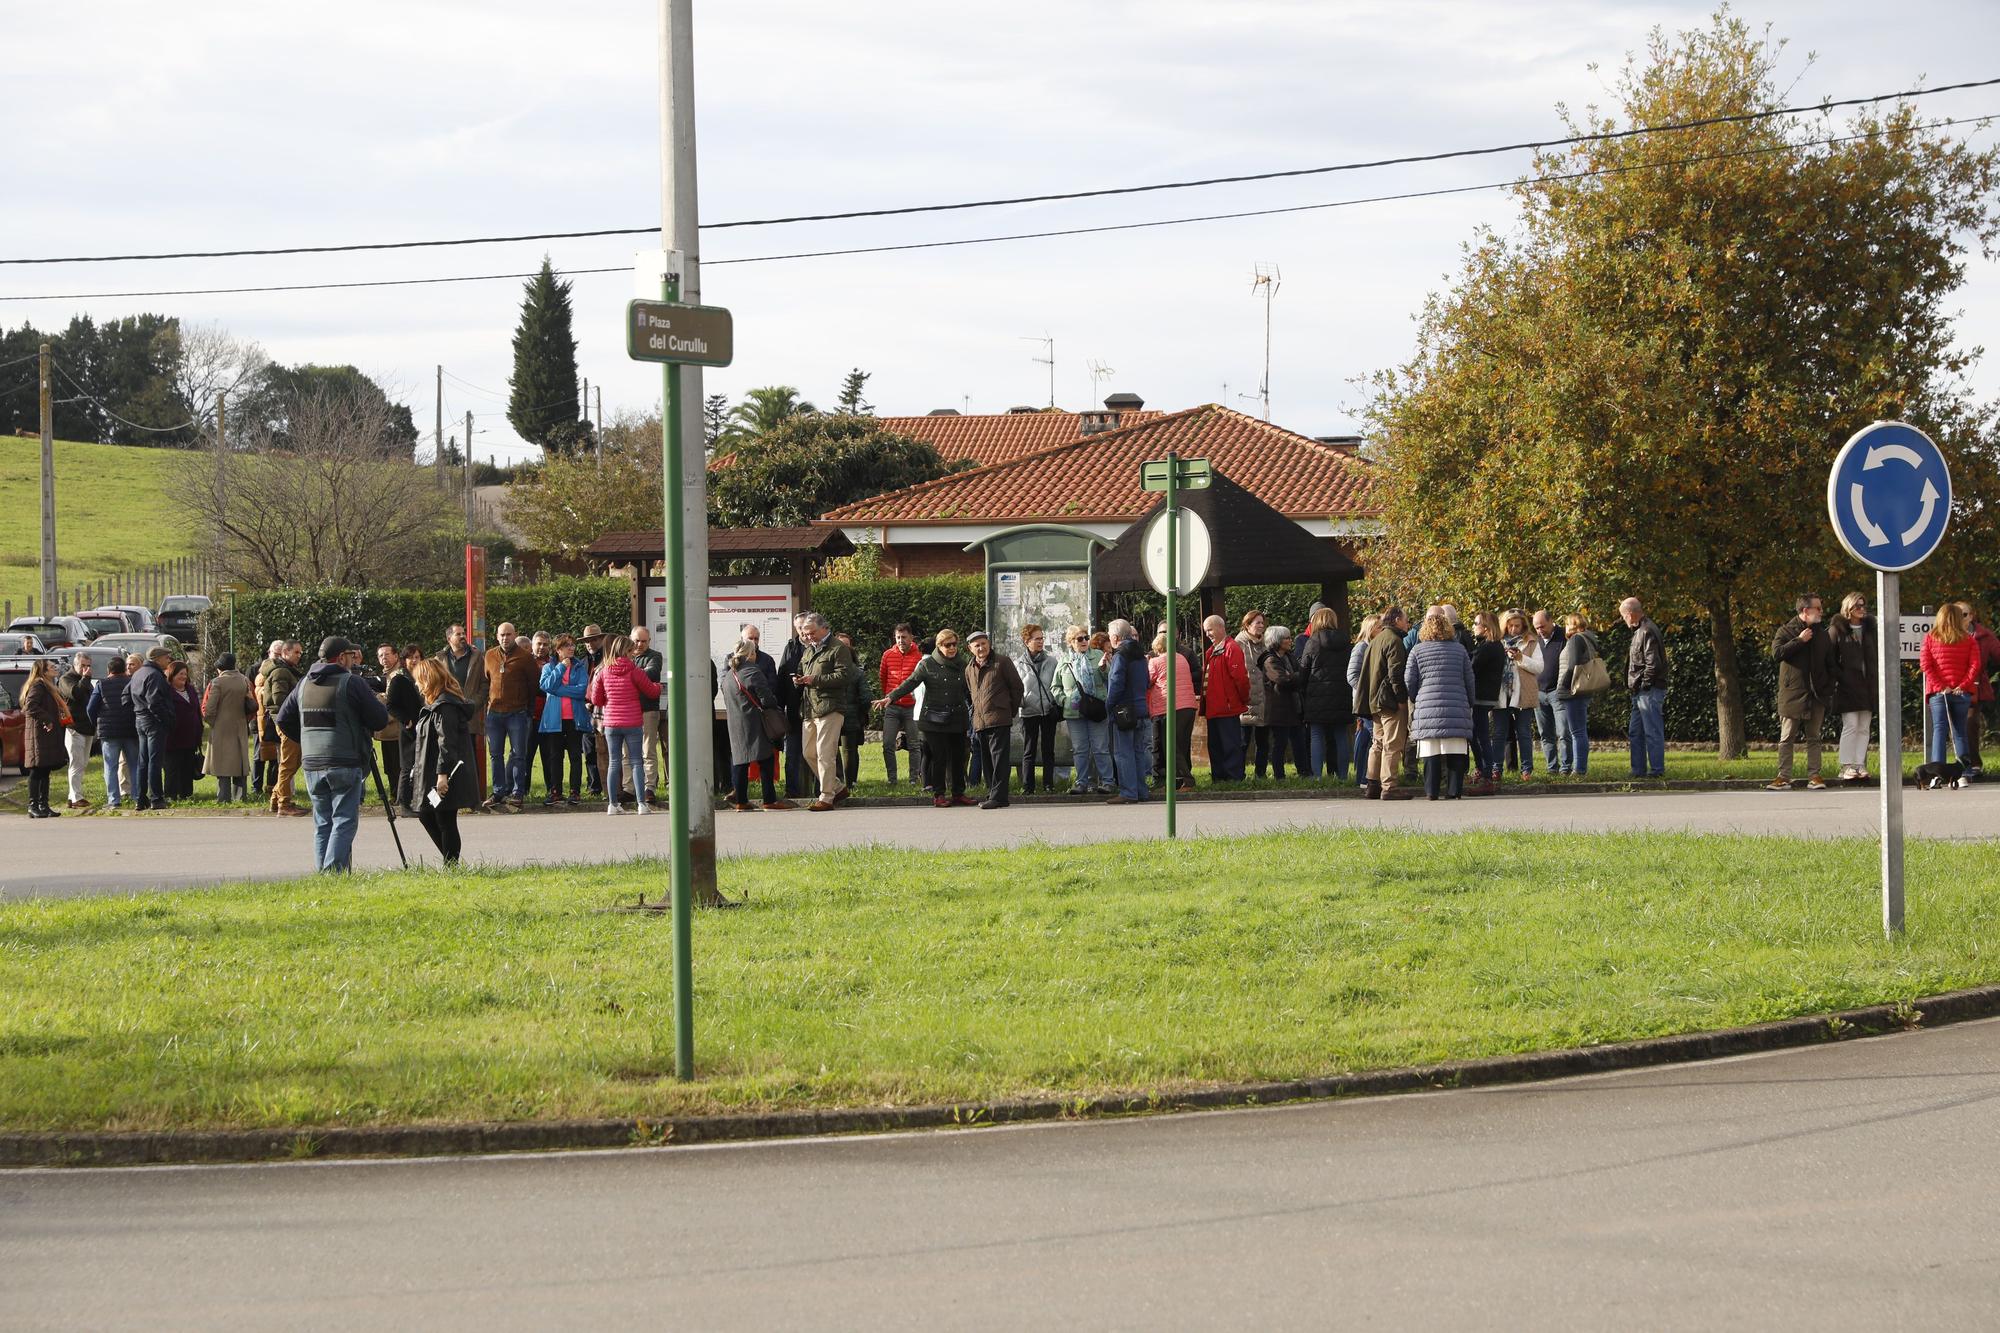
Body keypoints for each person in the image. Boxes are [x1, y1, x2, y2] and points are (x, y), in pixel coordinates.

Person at [276, 636, 391, 873]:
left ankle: (325, 874)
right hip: (344, 761)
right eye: (351, 656)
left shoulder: (305, 683)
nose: (353, 661)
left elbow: (283, 719)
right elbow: (379, 719)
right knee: (344, 820)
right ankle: (332, 875)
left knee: (322, 822)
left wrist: (307, 740)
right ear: (341, 658)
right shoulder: (352, 683)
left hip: (312, 763)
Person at [886, 629, 974, 808]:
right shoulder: (928, 664)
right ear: (939, 646)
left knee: (958, 757)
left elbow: (971, 688)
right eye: (947, 645)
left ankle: (958, 793)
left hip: (957, 717)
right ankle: (939, 794)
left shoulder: (963, 664)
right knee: (939, 757)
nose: (952, 648)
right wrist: (891, 697)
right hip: (934, 718)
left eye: (954, 644)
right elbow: (911, 682)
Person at [407, 659, 477, 865]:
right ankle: (451, 861)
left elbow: (447, 743)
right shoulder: (437, 705)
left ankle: (451, 864)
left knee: (444, 819)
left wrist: (442, 775)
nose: (417, 686)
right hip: (434, 772)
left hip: (444, 774)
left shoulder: (445, 707)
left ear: (428, 680)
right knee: (428, 815)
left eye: (419, 681)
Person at [1768, 593, 1837, 791]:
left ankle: (1814, 775)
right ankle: (1783, 777)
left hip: (1817, 695)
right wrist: (1799, 641)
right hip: (1792, 694)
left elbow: (1831, 663)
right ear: (1805, 611)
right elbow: (1777, 654)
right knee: (1786, 738)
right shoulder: (1786, 631)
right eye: (1818, 608)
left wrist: (1828, 686)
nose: (1822, 612)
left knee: (1814, 737)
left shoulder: (1822, 634)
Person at [587, 633, 661, 815]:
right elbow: (651, 692)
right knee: (637, 761)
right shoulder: (635, 671)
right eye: (632, 649)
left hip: (611, 722)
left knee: (614, 762)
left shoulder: (603, 671)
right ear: (627, 651)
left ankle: (613, 805)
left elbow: (596, 698)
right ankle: (641, 804)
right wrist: (659, 686)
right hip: (633, 721)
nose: (635, 652)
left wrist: (610, 701)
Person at [1406, 610, 1476, 800]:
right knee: (1456, 750)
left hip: (1427, 706)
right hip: (1456, 704)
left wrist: (1416, 698)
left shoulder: (1417, 651)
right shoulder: (1459, 650)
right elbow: (1470, 680)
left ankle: (1431, 791)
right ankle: (1454, 790)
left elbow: (1409, 681)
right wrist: (1470, 701)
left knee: (1431, 751)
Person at [720, 635, 794, 811]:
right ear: (750, 654)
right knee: (766, 759)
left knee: (740, 761)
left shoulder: (730, 674)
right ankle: (769, 800)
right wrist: (773, 705)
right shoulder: (752, 671)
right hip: (754, 721)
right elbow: (766, 698)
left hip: (735, 722)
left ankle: (741, 801)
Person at [793, 612, 857, 812]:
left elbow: (846, 676)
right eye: (805, 633)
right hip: (810, 707)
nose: (809, 637)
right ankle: (837, 787)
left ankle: (827, 797)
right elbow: (803, 670)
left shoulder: (838, 648)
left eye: (812, 633)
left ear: (824, 628)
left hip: (831, 707)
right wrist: (799, 679)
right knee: (808, 753)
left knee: (824, 753)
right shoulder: (809, 650)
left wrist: (816, 680)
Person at [956, 628, 1021, 808]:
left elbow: (1017, 688)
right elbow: (970, 693)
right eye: (976, 645)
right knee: (986, 760)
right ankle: (994, 793)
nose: (981, 648)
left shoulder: (1002, 662)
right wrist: (974, 713)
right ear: (970, 648)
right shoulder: (969, 668)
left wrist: (1009, 710)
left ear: (989, 644)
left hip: (999, 717)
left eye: (984, 644)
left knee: (999, 759)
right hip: (980, 721)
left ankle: (999, 796)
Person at [1354, 607, 1412, 800]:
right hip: (1389, 701)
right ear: (1396, 620)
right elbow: (1396, 675)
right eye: (1405, 619)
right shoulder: (1394, 641)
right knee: (1393, 744)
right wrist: (1402, 701)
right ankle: (1390, 787)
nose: (1407, 623)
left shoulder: (1376, 639)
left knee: (1377, 743)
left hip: (1374, 701)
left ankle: (1372, 784)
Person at [1920, 600, 1981, 773]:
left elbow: (1926, 665)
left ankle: (1936, 772)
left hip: (1938, 693)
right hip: (1961, 692)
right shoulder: (1969, 640)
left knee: (1939, 730)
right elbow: (1974, 666)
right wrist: (1962, 685)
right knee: (1959, 731)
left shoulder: (1930, 638)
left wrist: (1940, 686)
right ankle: (1965, 771)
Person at [482, 622, 536, 812]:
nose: (505, 638)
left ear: (515, 635)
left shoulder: (526, 657)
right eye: (502, 635)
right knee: (495, 755)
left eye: (509, 634)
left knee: (518, 755)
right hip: (494, 713)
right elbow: (485, 683)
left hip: (517, 713)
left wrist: (528, 710)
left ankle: (517, 792)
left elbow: (532, 686)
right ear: (497, 636)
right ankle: (498, 791)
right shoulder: (489, 656)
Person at [1297, 607, 1353, 783]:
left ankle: (1317, 777)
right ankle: (1343, 776)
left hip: (1317, 695)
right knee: (1341, 735)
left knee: (1316, 735)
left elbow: (1303, 669)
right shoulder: (1345, 641)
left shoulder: (1312, 641)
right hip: (1341, 694)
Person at [1056, 626, 1114, 794]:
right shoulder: (1064, 660)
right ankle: (1081, 782)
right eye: (1079, 639)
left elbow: (1109, 678)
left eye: (1086, 638)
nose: (1084, 641)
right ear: (1071, 642)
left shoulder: (1097, 655)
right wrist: (1065, 700)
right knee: (1080, 748)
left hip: (1096, 708)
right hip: (1074, 711)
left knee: (1100, 748)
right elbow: (1055, 686)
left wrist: (1103, 668)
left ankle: (1107, 782)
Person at [536, 634, 592, 807]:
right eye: (567, 646)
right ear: (558, 649)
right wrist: (560, 668)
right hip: (554, 720)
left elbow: (582, 690)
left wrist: (559, 690)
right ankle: (555, 792)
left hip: (575, 719)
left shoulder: (579, 666)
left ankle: (575, 792)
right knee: (555, 756)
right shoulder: (549, 667)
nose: (572, 648)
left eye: (573, 645)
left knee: (575, 756)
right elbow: (545, 686)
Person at [1829, 591, 1878, 783]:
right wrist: (1841, 676)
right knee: (1851, 725)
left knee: (1864, 726)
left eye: (1864, 605)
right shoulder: (1837, 630)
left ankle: (1859, 764)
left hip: (1869, 684)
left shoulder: (1870, 629)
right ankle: (1846, 765)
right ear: (1848, 608)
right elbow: (1830, 659)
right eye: (1858, 606)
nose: (1862, 609)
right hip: (1847, 685)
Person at [1621, 597, 1669, 780]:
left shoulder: (1646, 631)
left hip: (1648, 690)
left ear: (1631, 614)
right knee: (1636, 731)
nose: (1624, 620)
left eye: (1624, 616)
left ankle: (1656, 771)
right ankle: (1638, 770)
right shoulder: (1641, 630)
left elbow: (1652, 664)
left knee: (1652, 731)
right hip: (1640, 690)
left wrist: (1644, 685)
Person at [441, 623, 489, 807]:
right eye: (458, 634)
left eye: (464, 633)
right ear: (449, 638)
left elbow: (484, 685)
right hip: (447, 715)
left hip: (468, 714)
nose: (462, 637)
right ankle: (451, 796)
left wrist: (473, 704)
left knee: (469, 759)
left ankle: (472, 798)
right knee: (448, 754)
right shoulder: (440, 658)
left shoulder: (477, 656)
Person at [1104, 619, 1150, 804]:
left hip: (1124, 711)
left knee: (1123, 753)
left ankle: (1128, 792)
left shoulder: (1120, 655)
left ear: (1115, 637)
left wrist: (1109, 705)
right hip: (1141, 709)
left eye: (1109, 635)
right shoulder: (1140, 655)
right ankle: (1141, 790)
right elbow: (1147, 681)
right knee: (1138, 752)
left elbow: (1116, 683)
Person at [1199, 614, 1250, 782]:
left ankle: (1234, 777)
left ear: (1221, 627)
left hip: (1227, 707)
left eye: (1210, 630)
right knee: (1215, 746)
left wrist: (1242, 699)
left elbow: (1240, 678)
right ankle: (1219, 777)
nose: (1208, 634)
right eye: (1206, 631)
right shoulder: (1211, 651)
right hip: (1214, 708)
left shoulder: (1231, 648)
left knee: (1230, 744)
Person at [1145, 630, 1198, 790]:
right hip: (1188, 706)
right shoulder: (1182, 658)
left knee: (1171, 746)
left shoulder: (1156, 662)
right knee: (1181, 744)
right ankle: (1176, 782)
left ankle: (1187, 780)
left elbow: (1147, 681)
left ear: (1157, 648)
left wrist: (1147, 663)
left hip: (1171, 707)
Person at [1494, 610, 1543, 780]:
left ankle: (1527, 770)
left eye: (1517, 626)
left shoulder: (1531, 641)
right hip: (1502, 693)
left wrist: (1521, 658)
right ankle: (1496, 769)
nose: (1514, 629)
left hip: (1523, 693)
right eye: (1510, 625)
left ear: (1523, 626)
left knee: (1523, 732)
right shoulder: (1497, 641)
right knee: (1499, 733)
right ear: (1505, 625)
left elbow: (1539, 667)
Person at [201, 652, 256, 802]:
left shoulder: (217, 682)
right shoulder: (244, 680)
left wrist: (212, 722)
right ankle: (240, 796)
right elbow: (251, 705)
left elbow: (210, 708)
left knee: (222, 763)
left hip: (221, 726)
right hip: (240, 725)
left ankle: (223, 797)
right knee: (240, 763)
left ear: (220, 667)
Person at [86, 653, 137, 810]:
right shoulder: (133, 682)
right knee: (135, 765)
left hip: (108, 732)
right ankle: (137, 796)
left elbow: (90, 708)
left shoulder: (102, 685)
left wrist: (97, 724)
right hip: (131, 730)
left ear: (109, 670)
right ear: (124, 669)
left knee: (111, 766)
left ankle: (114, 800)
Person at [375, 644, 422, 815]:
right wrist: (407, 720)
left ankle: (418, 800)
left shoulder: (423, 676)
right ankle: (404, 804)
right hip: (408, 728)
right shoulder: (399, 678)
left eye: (417, 657)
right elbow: (391, 705)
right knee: (407, 766)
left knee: (420, 765)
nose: (414, 661)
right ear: (404, 660)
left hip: (422, 726)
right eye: (410, 658)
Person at [1016, 624, 1062, 795]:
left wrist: (1054, 702)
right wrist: (1021, 702)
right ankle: (1028, 787)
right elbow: (1016, 688)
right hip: (1028, 711)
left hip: (1048, 711)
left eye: (1042, 638)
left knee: (1048, 750)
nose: (1041, 641)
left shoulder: (1052, 661)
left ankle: (1048, 785)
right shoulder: (1018, 664)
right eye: (1037, 639)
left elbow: (1057, 684)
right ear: (1026, 641)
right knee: (1029, 751)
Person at [878, 622, 924, 787]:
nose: (900, 640)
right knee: (888, 744)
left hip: (912, 706)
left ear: (911, 638)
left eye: (904, 637)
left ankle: (913, 778)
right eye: (897, 637)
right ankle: (892, 779)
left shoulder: (919, 656)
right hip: (893, 706)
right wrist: (888, 696)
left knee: (914, 744)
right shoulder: (888, 655)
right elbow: (883, 678)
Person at [1253, 626, 1302, 783]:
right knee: (1279, 743)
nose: (1289, 640)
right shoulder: (1270, 659)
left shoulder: (1289, 657)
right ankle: (1279, 776)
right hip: (1278, 708)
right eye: (1286, 638)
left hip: (1292, 706)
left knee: (1298, 740)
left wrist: (1293, 676)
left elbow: (1297, 676)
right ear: (1277, 641)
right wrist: (1294, 677)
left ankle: (1304, 772)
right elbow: (1281, 679)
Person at [20, 658, 67, 819]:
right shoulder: (38, 685)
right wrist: (46, 719)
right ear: (43, 671)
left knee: (45, 770)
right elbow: (30, 706)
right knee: (37, 770)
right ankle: (33, 806)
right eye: (52, 667)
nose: (55, 668)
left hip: (46, 735)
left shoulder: (47, 686)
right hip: (38, 735)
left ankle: (44, 805)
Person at [1553, 613, 1598, 777]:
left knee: (1577, 732)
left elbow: (1572, 666)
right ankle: (1579, 768)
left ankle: (1579, 770)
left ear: (1572, 624)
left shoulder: (1576, 640)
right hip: (1582, 690)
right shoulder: (1589, 638)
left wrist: (1563, 687)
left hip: (1573, 691)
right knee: (1579, 731)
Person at [1467, 611, 1507, 793]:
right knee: (1477, 734)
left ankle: (1486, 774)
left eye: (1476, 623)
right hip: (1486, 696)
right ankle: (1483, 770)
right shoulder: (1492, 646)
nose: (1473, 626)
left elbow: (1472, 668)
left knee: (1480, 736)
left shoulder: (1489, 647)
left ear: (1485, 627)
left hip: (1481, 696)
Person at [775, 613, 813, 800]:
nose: (802, 632)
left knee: (817, 753)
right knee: (792, 753)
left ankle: (822, 790)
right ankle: (792, 792)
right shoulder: (790, 648)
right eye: (798, 628)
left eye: (804, 627)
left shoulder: (818, 645)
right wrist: (779, 708)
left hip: (815, 709)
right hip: (793, 708)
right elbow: (782, 677)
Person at [1961, 603, 2000, 777]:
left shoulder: (1983, 635)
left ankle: (1974, 764)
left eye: (1964, 614)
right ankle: (1958, 764)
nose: (1960, 618)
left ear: (1972, 616)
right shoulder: (1947, 633)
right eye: (1956, 614)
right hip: (1949, 687)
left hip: (1974, 688)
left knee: (1971, 723)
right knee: (1949, 725)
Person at [1234, 610, 1274, 777]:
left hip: (1263, 698)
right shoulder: (1239, 644)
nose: (1261, 626)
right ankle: (1239, 774)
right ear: (1247, 625)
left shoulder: (1266, 644)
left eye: (1262, 623)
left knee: (1263, 741)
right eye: (1257, 622)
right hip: (1246, 699)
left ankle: (1261, 773)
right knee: (1243, 742)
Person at [629, 626, 665, 802]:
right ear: (631, 639)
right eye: (637, 640)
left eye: (644, 641)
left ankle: (649, 787)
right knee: (626, 751)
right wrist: (637, 675)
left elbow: (651, 673)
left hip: (648, 709)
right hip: (628, 710)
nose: (640, 644)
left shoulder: (655, 656)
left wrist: (628, 675)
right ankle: (628, 789)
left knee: (648, 749)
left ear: (649, 641)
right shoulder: (625, 656)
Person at [56, 651, 94, 810]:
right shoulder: (66, 679)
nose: (85, 669)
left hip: (87, 727)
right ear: (75, 665)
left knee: (83, 763)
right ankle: (76, 797)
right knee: (76, 762)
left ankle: (73, 796)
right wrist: (85, 678)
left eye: (88, 666)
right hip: (74, 728)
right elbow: (75, 694)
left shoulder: (85, 681)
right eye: (82, 666)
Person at [832, 631, 869, 789]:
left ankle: (841, 782)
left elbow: (866, 697)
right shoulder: (857, 671)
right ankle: (850, 784)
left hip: (838, 713)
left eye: (846, 645)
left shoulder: (830, 668)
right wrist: (862, 712)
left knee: (837, 750)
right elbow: (866, 698)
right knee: (848, 750)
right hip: (848, 714)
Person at [1532, 610, 1567, 775]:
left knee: (1563, 732)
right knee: (1545, 734)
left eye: (1542, 626)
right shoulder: (1535, 641)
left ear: (1551, 621)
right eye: (1537, 628)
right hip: (1539, 692)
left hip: (1558, 692)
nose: (1540, 631)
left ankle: (1566, 767)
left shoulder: (1564, 636)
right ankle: (1552, 767)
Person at [1347, 613, 1379, 787]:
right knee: (1369, 736)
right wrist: (1366, 693)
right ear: (1371, 628)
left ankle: (1363, 777)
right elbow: (1351, 675)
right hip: (1364, 701)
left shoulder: (1372, 646)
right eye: (1378, 627)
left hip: (1369, 700)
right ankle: (1364, 777)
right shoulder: (1361, 648)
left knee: (1365, 737)